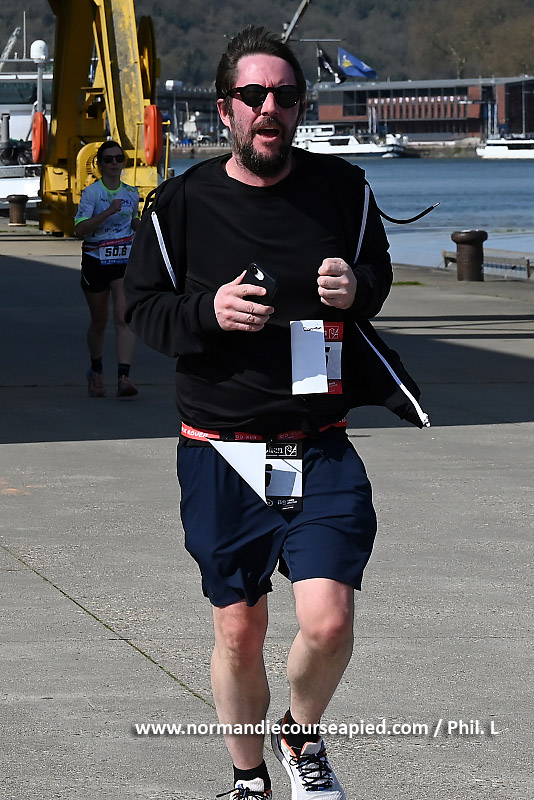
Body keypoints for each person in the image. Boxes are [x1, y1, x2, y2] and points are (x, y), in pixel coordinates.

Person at [124, 25, 427, 800]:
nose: (270, 108)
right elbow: (143, 309)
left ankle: (300, 732)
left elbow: (376, 271)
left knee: (328, 622)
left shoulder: (343, 190)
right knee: (240, 628)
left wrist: (358, 288)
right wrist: (208, 312)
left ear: (299, 106)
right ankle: (248, 777)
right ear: (225, 107)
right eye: (253, 95)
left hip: (316, 444)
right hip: (220, 447)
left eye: (284, 95)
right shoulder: (180, 205)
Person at [75, 140, 140, 398]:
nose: (114, 163)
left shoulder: (132, 193)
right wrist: (108, 212)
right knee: (99, 322)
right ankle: (96, 371)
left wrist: (145, 226)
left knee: (123, 317)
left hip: (123, 260)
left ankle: (124, 377)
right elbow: (80, 229)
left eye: (119, 159)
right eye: (109, 159)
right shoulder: (92, 194)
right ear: (100, 165)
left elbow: (134, 222)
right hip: (96, 260)